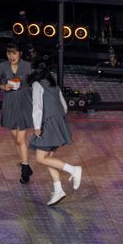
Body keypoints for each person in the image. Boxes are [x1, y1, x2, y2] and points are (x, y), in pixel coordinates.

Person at [29, 67, 84, 206]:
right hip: (58, 124)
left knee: (41, 158)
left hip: (47, 125)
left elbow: (37, 107)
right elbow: (64, 107)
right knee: (49, 159)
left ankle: (73, 170)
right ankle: (58, 190)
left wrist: (37, 126)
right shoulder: (54, 85)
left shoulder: (37, 84)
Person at [0, 44, 34, 184]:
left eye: (14, 53)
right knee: (16, 138)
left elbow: (35, 83)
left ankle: (25, 169)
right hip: (10, 103)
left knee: (20, 139)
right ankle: (26, 163)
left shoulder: (27, 66)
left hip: (24, 103)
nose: (11, 56)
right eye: (9, 53)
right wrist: (3, 86)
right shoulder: (3, 66)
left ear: (20, 53)